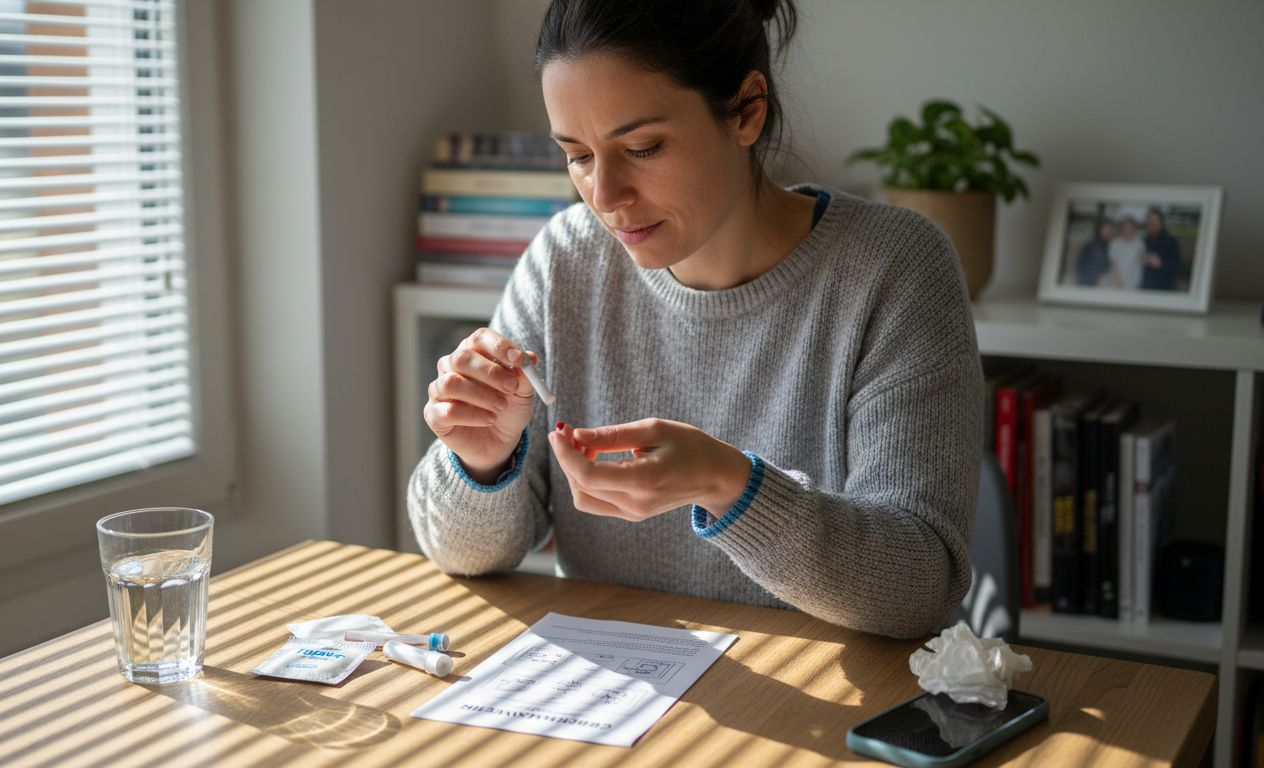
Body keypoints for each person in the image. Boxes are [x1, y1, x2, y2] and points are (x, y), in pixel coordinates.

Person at [408, 0, 983, 640]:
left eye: (643, 147)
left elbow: (920, 589)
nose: (605, 197)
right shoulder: (564, 261)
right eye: (577, 155)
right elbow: (460, 555)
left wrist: (728, 485)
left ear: (747, 111)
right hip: (625, 709)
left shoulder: (894, 268)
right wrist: (482, 462)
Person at [1140, 207, 1183, 291]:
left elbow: (1178, 266)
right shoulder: (1144, 241)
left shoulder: (1171, 242)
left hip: (1164, 290)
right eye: (1149, 222)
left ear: (1161, 223)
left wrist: (1161, 263)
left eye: (1154, 221)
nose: (1151, 224)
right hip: (1145, 289)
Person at [1106, 216, 1145, 289]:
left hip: (1135, 286)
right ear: (1121, 229)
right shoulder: (1115, 243)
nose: (1128, 229)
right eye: (1125, 227)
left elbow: (1141, 263)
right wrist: (1120, 285)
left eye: (1130, 227)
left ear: (1134, 229)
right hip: (1118, 285)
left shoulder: (1140, 244)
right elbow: (1114, 265)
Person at [1074, 219, 1114, 286]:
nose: (1108, 232)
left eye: (1110, 230)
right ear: (1100, 229)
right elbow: (1080, 262)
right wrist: (1081, 279)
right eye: (1106, 229)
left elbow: (1107, 264)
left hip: (1099, 283)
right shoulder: (1090, 243)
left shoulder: (1109, 246)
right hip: (1085, 281)